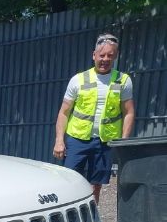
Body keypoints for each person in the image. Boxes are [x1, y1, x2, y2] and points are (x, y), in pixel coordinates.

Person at [53, 33, 135, 203]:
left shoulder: (123, 81)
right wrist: (59, 140)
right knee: (69, 180)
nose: (105, 59)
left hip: (105, 141)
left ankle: (91, 217)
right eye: (102, 55)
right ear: (94, 55)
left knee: (95, 184)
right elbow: (64, 112)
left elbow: (129, 113)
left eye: (110, 56)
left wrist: (124, 143)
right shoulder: (78, 80)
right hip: (78, 139)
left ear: (115, 56)